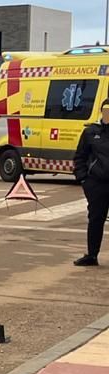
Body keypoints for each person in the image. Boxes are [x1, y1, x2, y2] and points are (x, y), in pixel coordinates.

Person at [72, 100, 109, 266]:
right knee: (96, 219)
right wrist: (84, 179)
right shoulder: (91, 132)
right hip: (97, 184)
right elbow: (80, 157)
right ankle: (92, 255)